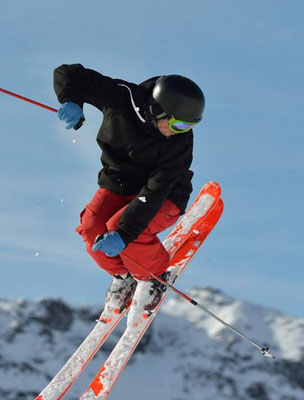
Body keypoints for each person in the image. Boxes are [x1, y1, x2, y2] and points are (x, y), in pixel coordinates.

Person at [53, 64, 205, 311]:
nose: (181, 132)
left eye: (189, 127)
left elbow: (156, 189)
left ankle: (154, 278)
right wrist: (71, 100)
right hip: (118, 184)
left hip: (164, 197)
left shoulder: (180, 143)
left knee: (123, 229)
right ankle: (125, 276)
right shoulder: (120, 96)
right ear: (158, 110)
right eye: (178, 125)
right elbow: (68, 73)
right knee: (92, 228)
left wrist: (124, 234)